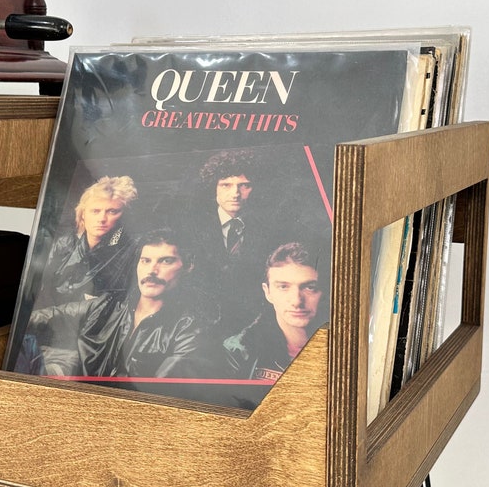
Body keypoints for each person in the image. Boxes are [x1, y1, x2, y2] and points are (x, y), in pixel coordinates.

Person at [19, 228, 214, 382]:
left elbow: (157, 392)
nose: (152, 270)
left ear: (188, 266)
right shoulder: (109, 306)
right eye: (145, 261)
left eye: (166, 261)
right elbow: (47, 317)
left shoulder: (189, 330)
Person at [187, 149, 272, 335]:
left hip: (252, 325)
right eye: (226, 185)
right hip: (200, 326)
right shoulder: (191, 228)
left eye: (244, 185)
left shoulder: (269, 229)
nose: (235, 193)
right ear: (214, 188)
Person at [223, 242, 326, 383]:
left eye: (310, 287)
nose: (296, 301)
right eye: (283, 287)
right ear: (268, 292)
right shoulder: (239, 351)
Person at [37, 175, 138, 307]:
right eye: (95, 211)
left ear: (123, 216)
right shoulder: (64, 243)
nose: (102, 219)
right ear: (83, 214)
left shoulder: (128, 253)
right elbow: (42, 288)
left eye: (112, 211)